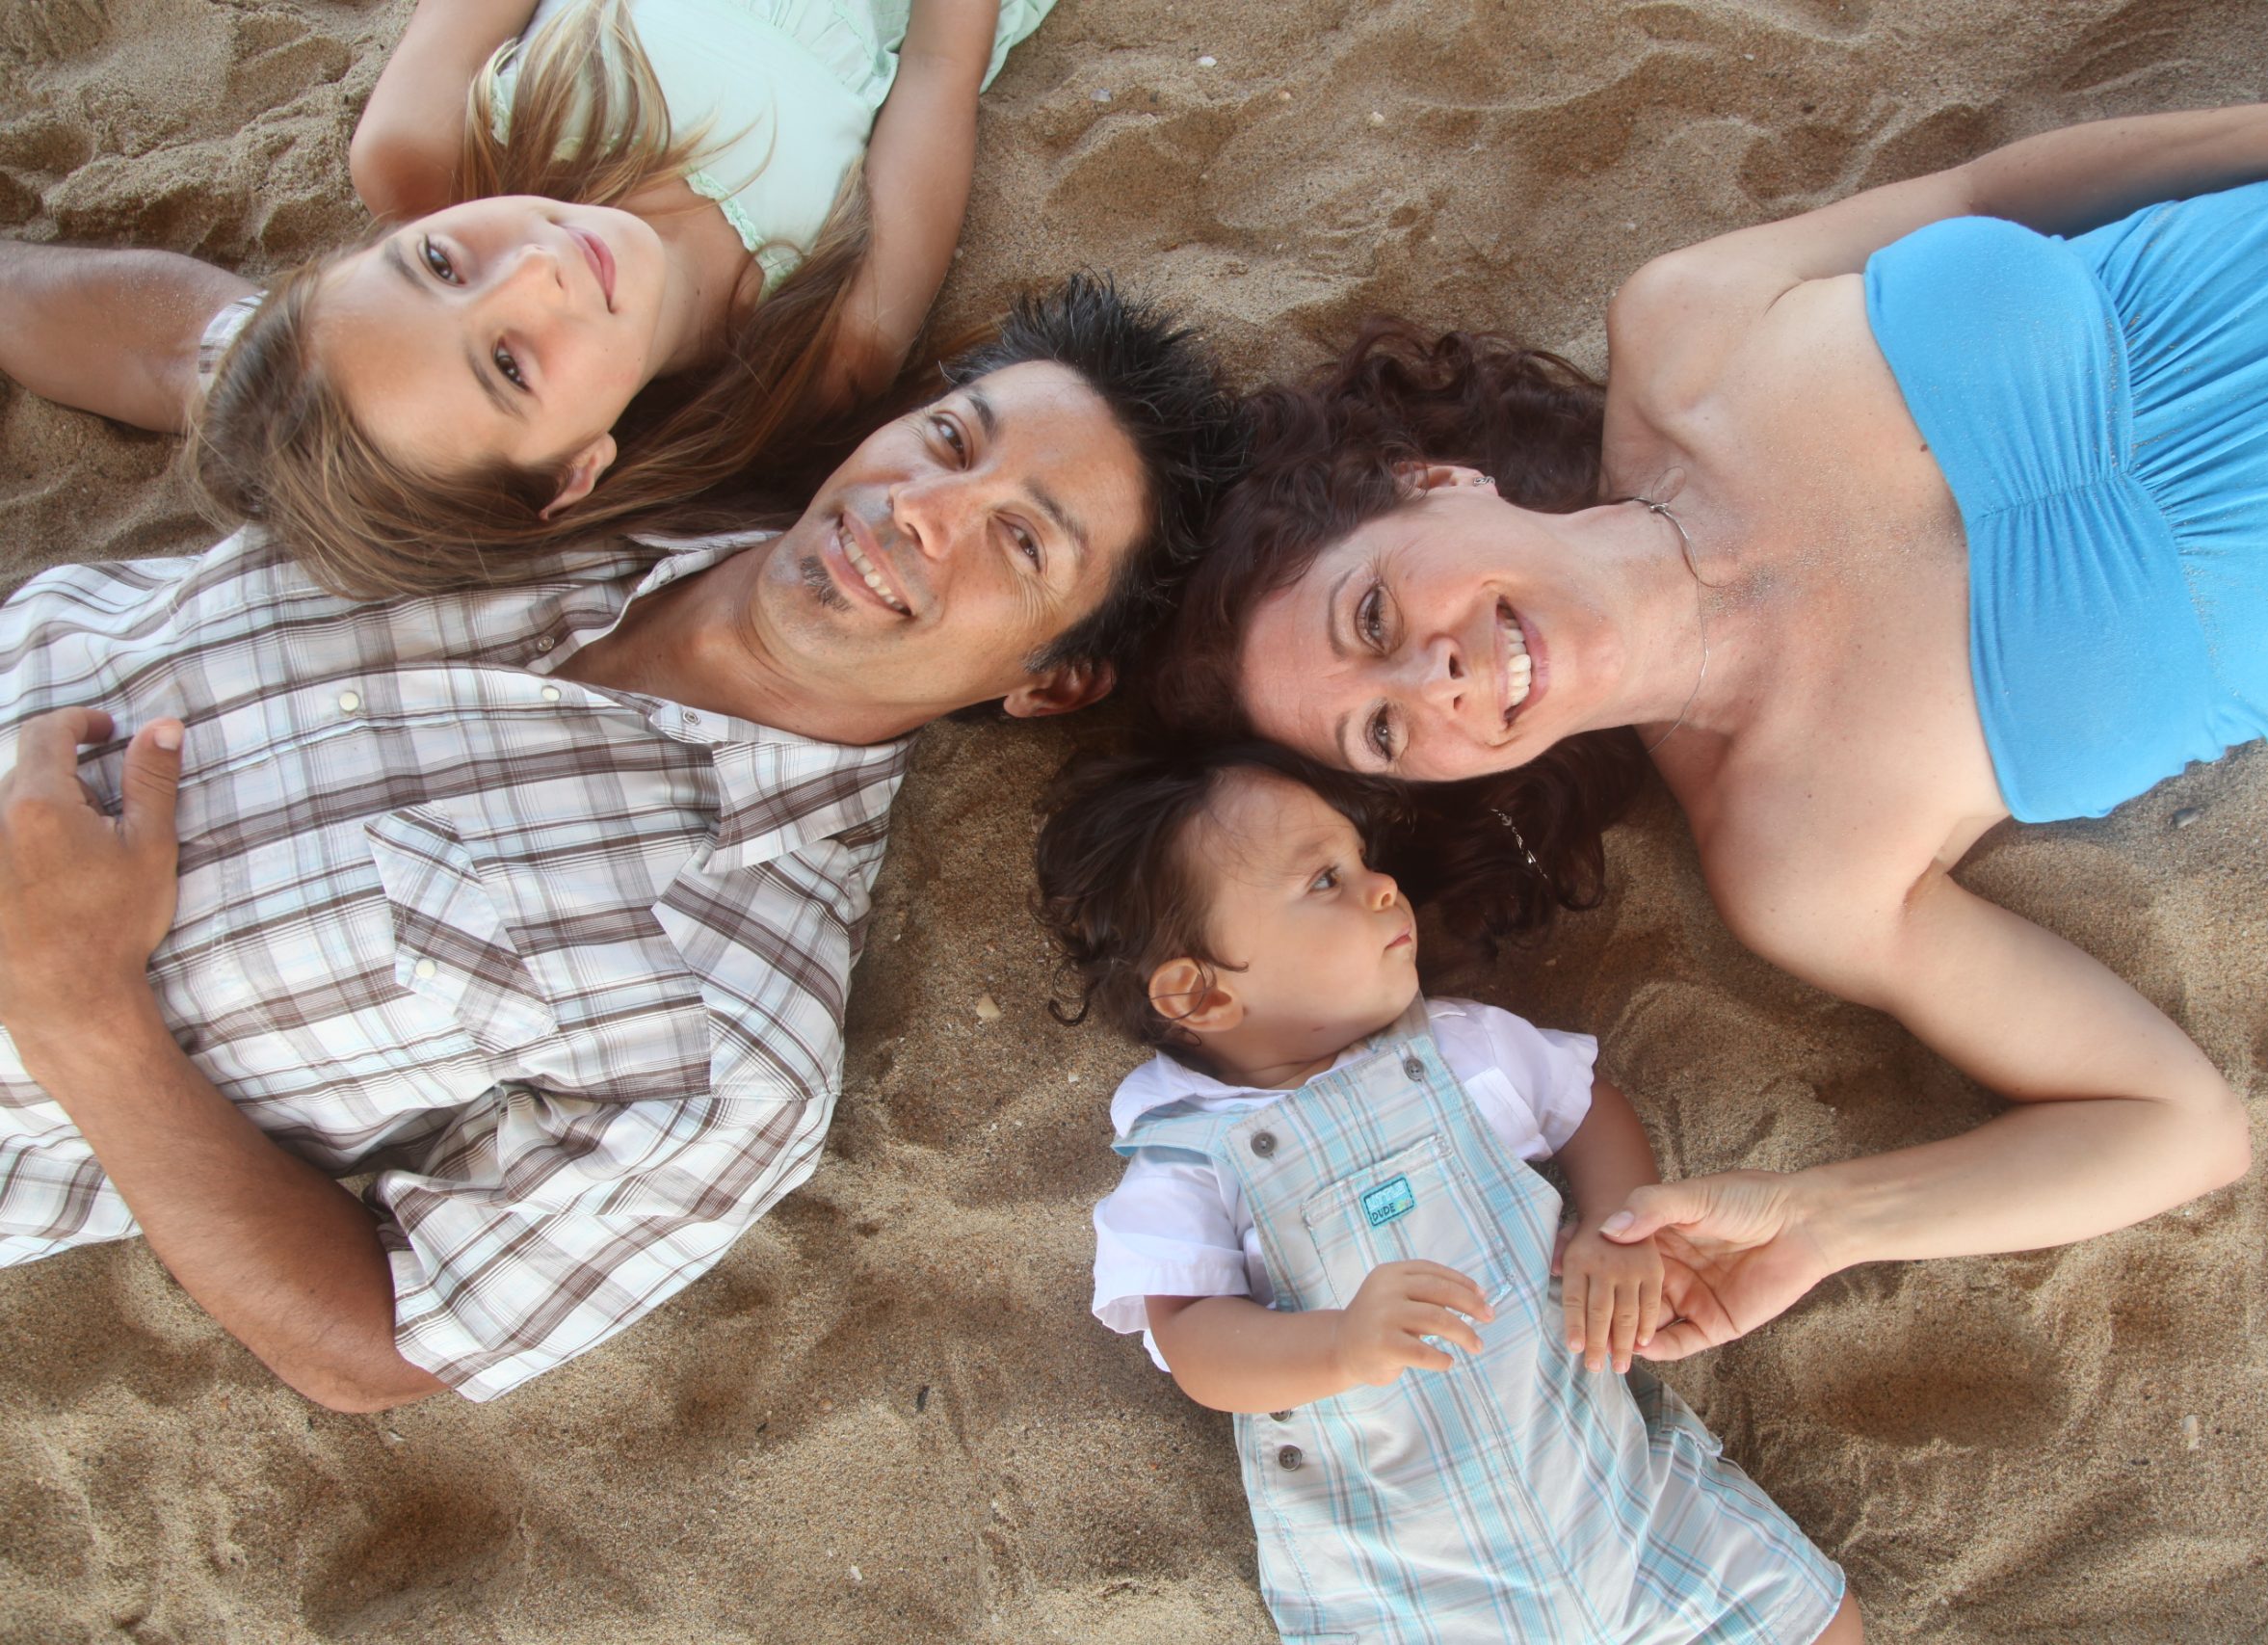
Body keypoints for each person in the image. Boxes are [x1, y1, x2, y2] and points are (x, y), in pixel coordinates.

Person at [1158, 68, 2268, 1359]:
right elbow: (2178, 1123)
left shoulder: (1687, 325)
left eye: (1373, 617)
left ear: (1431, 480)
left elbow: (1995, 187)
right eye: (1383, 732)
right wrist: (1823, 1218)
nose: (1429, 680)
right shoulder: (1797, 860)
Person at [0, 278, 1245, 1413]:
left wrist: (82, 1012)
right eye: (949, 440)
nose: (922, 511)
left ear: (1054, 684)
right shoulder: (627, 445)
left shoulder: (728, 1030)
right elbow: (225, 351)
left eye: (1021, 540)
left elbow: (379, 1340)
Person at [1036, 742, 1859, 1645]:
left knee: (1817, 1621)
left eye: (1360, 859)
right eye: (1324, 881)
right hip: (1413, 1579)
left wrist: (1619, 1227)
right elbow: (1193, 1338)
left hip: (1610, 1488)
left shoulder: (1461, 1049)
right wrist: (1339, 1344)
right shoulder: (1189, 1151)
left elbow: (1586, 1107)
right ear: (1199, 992)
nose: (1382, 886)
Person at [0, 0, 1054, 596]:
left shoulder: (418, 150)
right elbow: (937, 66)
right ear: (574, 468)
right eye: (509, 364)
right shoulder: (815, 348)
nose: (534, 271)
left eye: (439, 266)